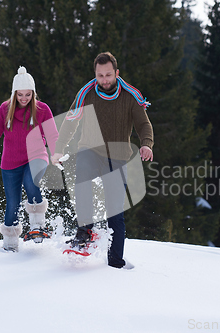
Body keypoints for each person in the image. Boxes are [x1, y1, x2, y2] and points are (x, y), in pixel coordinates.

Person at [51, 52, 153, 268]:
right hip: (90, 150)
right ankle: (85, 232)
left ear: (116, 73)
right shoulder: (86, 94)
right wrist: (59, 148)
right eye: (100, 76)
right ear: (95, 75)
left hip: (117, 157)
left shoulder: (130, 96)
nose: (104, 80)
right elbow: (70, 122)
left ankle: (115, 262)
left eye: (108, 75)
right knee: (81, 182)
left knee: (115, 212)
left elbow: (144, 124)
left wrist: (146, 143)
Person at [0, 66, 59, 251]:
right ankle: (10, 244)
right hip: (10, 163)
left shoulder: (42, 109)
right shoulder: (5, 109)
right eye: (20, 95)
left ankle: (37, 225)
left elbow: (52, 135)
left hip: (36, 156)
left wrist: (56, 152)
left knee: (31, 181)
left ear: (33, 93)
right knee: (12, 204)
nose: (24, 99)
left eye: (27, 95)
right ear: (14, 93)